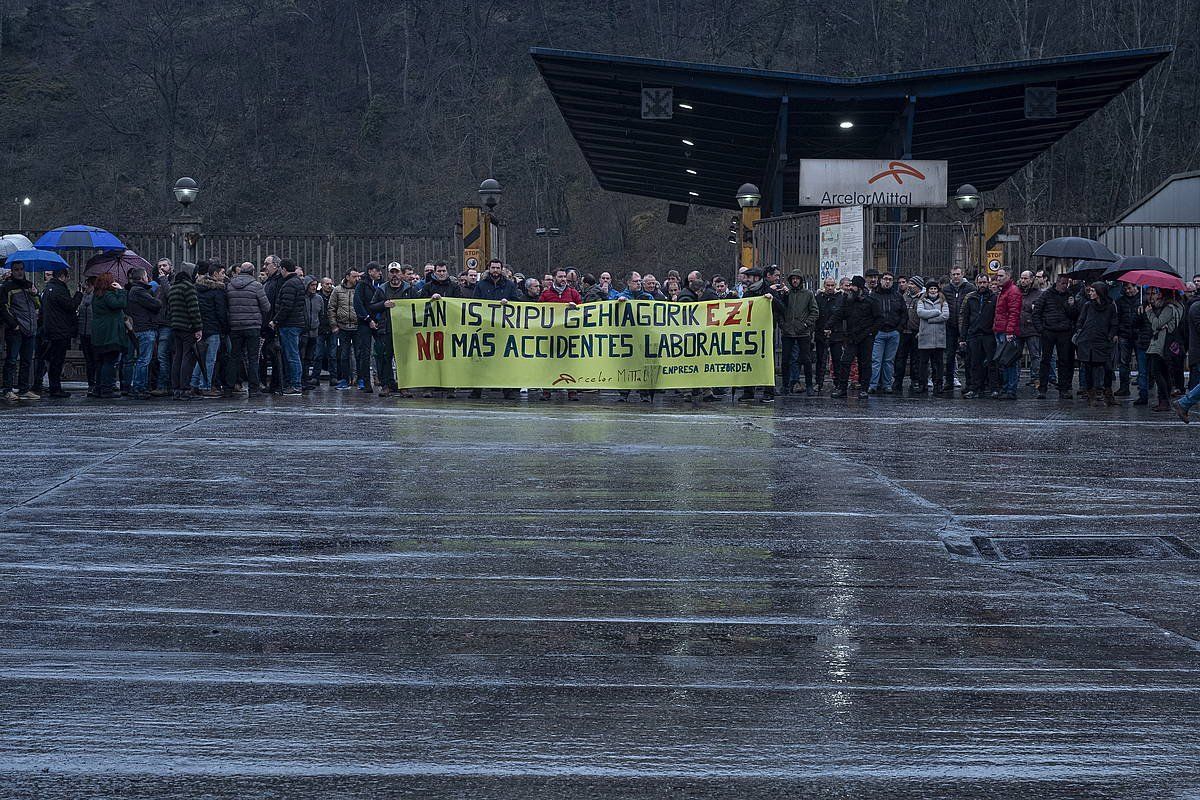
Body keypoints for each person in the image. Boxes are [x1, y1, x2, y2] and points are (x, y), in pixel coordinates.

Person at [470, 259, 522, 400]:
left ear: (501, 269)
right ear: (489, 269)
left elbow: (517, 302)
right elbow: (475, 303)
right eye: (493, 268)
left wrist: (509, 303)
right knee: (481, 360)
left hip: (503, 328)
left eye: (497, 268)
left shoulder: (509, 285)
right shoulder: (481, 285)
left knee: (504, 360)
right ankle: (476, 390)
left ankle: (508, 390)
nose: (495, 270)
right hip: (485, 328)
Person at [369, 262, 419, 398]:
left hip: (405, 331)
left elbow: (419, 306)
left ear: (401, 274)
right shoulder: (382, 289)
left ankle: (404, 387)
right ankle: (386, 386)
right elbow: (372, 306)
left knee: (404, 360)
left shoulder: (410, 289)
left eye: (397, 272)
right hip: (387, 330)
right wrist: (383, 304)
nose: (395, 275)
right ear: (388, 274)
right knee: (385, 359)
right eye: (392, 272)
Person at [825, 275, 878, 400]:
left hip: (866, 337)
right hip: (852, 337)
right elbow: (839, 314)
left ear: (859, 287)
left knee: (865, 364)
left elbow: (879, 319)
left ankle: (864, 389)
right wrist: (828, 326)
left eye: (853, 286)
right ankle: (842, 388)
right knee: (845, 361)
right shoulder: (848, 301)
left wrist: (871, 333)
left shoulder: (870, 301)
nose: (850, 288)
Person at [738, 267, 783, 403]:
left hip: (766, 332)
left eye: (748, 277)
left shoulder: (769, 290)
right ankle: (748, 391)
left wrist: (772, 300)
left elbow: (782, 308)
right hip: (750, 333)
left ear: (756, 278)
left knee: (766, 361)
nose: (745, 280)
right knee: (749, 361)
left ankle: (768, 392)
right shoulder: (748, 293)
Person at [226, 261, 270, 397]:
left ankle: (229, 387)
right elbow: (266, 307)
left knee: (234, 357)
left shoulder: (229, 286)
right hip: (252, 327)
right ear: (253, 272)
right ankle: (254, 388)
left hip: (235, 326)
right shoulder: (256, 286)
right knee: (252, 358)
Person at [1031, 272, 1078, 400]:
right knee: (1045, 360)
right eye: (1063, 283)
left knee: (1064, 361)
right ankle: (1043, 388)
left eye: (1066, 283)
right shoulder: (1046, 295)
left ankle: (1064, 388)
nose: (1065, 286)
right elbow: (1036, 313)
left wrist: (1071, 306)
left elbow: (1074, 315)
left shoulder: (1069, 296)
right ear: (1057, 282)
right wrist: (1041, 329)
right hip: (1049, 331)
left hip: (1064, 331)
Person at [1074, 280, 1119, 406]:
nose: (1090, 292)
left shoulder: (1110, 306)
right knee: (1088, 368)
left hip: (1102, 341)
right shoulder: (1088, 305)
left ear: (1100, 292)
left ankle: (1108, 394)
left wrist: (1110, 337)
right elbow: (1081, 320)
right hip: (1087, 341)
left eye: (1093, 291)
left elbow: (1114, 323)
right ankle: (1091, 394)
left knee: (1108, 368)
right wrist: (1080, 332)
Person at [539, 268, 582, 400]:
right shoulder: (546, 294)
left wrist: (575, 308)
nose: (563, 279)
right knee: (549, 363)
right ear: (554, 278)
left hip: (568, 335)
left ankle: (572, 391)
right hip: (550, 335)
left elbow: (583, 309)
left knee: (569, 363)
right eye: (560, 277)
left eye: (564, 277)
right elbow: (538, 311)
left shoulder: (573, 293)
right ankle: (546, 390)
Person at [0, 261, 40, 401]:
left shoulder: (29, 285)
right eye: (16, 269)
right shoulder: (7, 287)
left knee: (26, 360)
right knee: (11, 360)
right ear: (12, 271)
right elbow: (4, 308)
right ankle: (8, 389)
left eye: (21, 269)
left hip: (30, 327)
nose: (19, 272)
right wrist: (14, 324)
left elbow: (37, 304)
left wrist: (35, 294)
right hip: (17, 328)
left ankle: (24, 388)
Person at [777, 270, 819, 395]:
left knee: (806, 360)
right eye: (793, 279)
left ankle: (809, 385)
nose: (795, 281)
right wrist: (783, 325)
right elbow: (779, 311)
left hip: (803, 333)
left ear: (801, 280)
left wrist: (805, 324)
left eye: (797, 278)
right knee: (785, 360)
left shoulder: (808, 294)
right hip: (788, 332)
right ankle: (785, 385)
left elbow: (815, 312)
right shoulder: (786, 294)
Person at [270, 259, 307, 395]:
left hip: (290, 324)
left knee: (291, 355)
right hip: (295, 323)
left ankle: (295, 384)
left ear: (284, 269)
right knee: (293, 354)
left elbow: (286, 306)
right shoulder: (297, 282)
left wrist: (275, 320)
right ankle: (294, 383)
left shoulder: (289, 284)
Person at [39, 268, 78, 399]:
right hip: (60, 330)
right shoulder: (59, 289)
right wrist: (79, 294)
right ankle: (55, 388)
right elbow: (70, 306)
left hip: (50, 329)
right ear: (62, 276)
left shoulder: (48, 289)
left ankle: (53, 387)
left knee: (53, 360)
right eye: (67, 277)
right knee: (57, 361)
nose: (68, 280)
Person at [89, 273, 128, 400]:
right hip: (110, 334)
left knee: (100, 362)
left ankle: (98, 388)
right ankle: (106, 389)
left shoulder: (96, 296)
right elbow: (119, 304)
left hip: (98, 334)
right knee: (110, 362)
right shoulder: (108, 295)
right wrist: (121, 291)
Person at [125, 266, 162, 400]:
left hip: (141, 327)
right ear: (142, 277)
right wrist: (157, 297)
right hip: (145, 328)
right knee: (144, 361)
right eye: (146, 276)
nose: (148, 278)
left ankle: (140, 386)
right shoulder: (139, 291)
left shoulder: (135, 290)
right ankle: (139, 387)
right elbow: (156, 304)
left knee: (142, 359)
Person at [192, 262, 229, 397]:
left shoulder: (199, 288)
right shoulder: (217, 290)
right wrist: (225, 327)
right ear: (215, 274)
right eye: (222, 273)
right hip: (213, 327)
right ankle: (205, 386)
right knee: (210, 359)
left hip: (201, 326)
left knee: (200, 358)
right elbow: (221, 312)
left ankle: (194, 383)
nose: (224, 276)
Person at [1144, 288, 1183, 412]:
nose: (1157, 295)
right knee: (1164, 373)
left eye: (1159, 293)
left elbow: (1156, 324)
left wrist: (1149, 313)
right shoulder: (1178, 307)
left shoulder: (1169, 308)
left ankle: (1164, 401)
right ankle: (1164, 401)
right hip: (1165, 343)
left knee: (1157, 372)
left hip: (1161, 345)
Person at [959, 273, 997, 399]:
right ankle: (975, 388)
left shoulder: (994, 298)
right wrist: (963, 338)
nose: (982, 285)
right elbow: (965, 319)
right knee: (974, 363)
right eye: (980, 283)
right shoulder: (971, 298)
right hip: (974, 334)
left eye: (984, 282)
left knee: (992, 363)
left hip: (988, 334)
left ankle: (993, 388)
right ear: (976, 283)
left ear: (988, 283)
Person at [168, 270, 203, 401]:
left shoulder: (172, 289)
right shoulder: (189, 288)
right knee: (187, 358)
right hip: (187, 327)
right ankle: (185, 389)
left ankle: (176, 389)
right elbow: (194, 309)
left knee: (177, 357)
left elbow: (170, 310)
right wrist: (198, 327)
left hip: (175, 326)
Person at [868, 272, 905, 394]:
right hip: (878, 332)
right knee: (876, 360)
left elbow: (903, 314)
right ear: (881, 280)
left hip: (894, 332)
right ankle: (873, 384)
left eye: (890, 279)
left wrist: (899, 329)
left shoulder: (897, 296)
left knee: (889, 361)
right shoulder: (874, 296)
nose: (887, 281)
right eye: (885, 279)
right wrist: (873, 330)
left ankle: (887, 384)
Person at [914, 279, 950, 395]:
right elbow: (920, 313)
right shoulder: (921, 301)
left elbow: (945, 315)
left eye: (935, 289)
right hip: (925, 337)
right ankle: (922, 384)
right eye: (931, 289)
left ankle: (938, 384)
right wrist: (936, 312)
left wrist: (929, 319)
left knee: (938, 363)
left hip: (939, 338)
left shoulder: (943, 301)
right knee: (923, 363)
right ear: (927, 290)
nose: (933, 291)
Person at [351, 261, 383, 392]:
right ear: (370, 271)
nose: (380, 273)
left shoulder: (381, 284)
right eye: (378, 270)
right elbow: (358, 304)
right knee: (365, 353)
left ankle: (382, 379)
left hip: (378, 322)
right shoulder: (362, 285)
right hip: (365, 323)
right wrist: (368, 318)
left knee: (381, 351)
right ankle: (365, 382)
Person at [992, 266, 1022, 400]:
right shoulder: (1004, 291)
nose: (998, 278)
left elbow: (1014, 313)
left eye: (1001, 276)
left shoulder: (1012, 291)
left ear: (1009, 276)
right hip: (1001, 330)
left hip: (1006, 331)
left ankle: (1010, 389)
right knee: (1005, 362)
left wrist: (1010, 331)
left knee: (1009, 361)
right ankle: (1006, 388)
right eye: (997, 276)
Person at [942, 267, 974, 391]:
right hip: (950, 326)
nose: (956, 276)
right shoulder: (946, 290)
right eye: (954, 274)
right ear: (950, 275)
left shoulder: (970, 288)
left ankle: (969, 383)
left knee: (967, 356)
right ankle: (949, 381)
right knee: (949, 355)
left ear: (963, 274)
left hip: (965, 327)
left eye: (958, 274)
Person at [328, 269, 360, 390]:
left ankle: (361, 379)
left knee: (359, 354)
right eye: (354, 276)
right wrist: (334, 325)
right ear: (347, 277)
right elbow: (331, 308)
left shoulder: (359, 289)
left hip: (358, 327)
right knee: (344, 355)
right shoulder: (337, 290)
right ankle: (345, 380)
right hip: (343, 327)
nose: (357, 279)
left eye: (358, 276)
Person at [259, 255, 285, 393]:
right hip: (267, 324)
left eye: (266, 263)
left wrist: (274, 320)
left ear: (275, 265)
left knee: (275, 356)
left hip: (272, 324)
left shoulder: (278, 282)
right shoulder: (269, 282)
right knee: (265, 354)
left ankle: (276, 384)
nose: (264, 266)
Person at [894, 275, 922, 393]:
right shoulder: (903, 297)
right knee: (900, 358)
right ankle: (898, 380)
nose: (909, 286)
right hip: (903, 332)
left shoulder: (923, 298)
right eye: (909, 284)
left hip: (916, 332)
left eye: (912, 284)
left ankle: (915, 380)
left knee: (916, 358)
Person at [1016, 270, 1044, 387]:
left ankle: (1036, 378)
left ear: (1032, 279)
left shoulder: (1038, 293)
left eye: (1026, 278)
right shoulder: (1016, 291)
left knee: (1035, 355)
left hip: (1032, 328)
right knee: (1016, 355)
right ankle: (1015, 377)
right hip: (1018, 327)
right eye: (1022, 278)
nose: (1023, 281)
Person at [151, 258, 174, 396]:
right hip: (158, 324)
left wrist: (164, 280)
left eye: (164, 265)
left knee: (162, 355)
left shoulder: (171, 282)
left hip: (167, 324)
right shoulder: (158, 284)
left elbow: (170, 295)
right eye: (159, 266)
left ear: (170, 267)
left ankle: (163, 385)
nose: (162, 268)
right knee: (159, 356)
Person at [814, 277, 840, 393]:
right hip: (821, 333)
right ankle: (818, 383)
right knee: (820, 360)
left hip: (836, 333)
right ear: (824, 285)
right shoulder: (818, 298)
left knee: (837, 360)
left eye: (832, 285)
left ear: (835, 286)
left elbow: (840, 314)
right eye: (828, 285)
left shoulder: (840, 298)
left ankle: (838, 383)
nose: (830, 288)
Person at [1115, 282, 1142, 396]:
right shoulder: (1121, 301)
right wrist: (1117, 332)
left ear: (1135, 287)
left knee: (1141, 362)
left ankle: (1143, 385)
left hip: (1138, 334)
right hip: (1124, 334)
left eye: (1129, 288)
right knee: (1123, 362)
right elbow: (1117, 318)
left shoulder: (1142, 300)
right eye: (1125, 289)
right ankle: (1124, 387)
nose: (1127, 291)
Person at [301, 277, 326, 391]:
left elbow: (321, 314)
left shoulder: (319, 299)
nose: (314, 287)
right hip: (303, 332)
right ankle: (301, 380)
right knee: (302, 357)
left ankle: (306, 380)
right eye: (312, 285)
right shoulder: (301, 298)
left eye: (315, 285)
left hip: (314, 332)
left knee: (309, 358)